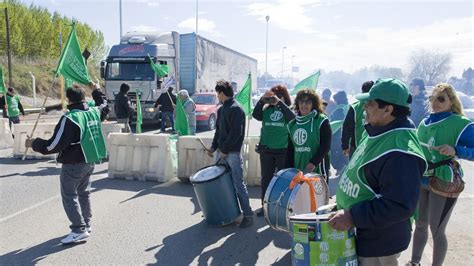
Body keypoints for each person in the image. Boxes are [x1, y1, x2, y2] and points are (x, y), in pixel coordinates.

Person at [329, 78, 426, 266]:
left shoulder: (400, 151)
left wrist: (352, 216)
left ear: (388, 109)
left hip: (380, 243)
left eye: (371, 103)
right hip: (365, 234)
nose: (364, 106)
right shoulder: (377, 130)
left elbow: (399, 204)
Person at [25, 85, 107, 244]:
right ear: (84, 97)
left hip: (74, 163)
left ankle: (78, 229)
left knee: (69, 196)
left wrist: (34, 143)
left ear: (68, 99)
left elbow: (53, 145)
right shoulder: (94, 112)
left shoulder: (70, 118)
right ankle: (86, 224)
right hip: (90, 160)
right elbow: (104, 104)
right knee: (84, 193)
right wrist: (96, 89)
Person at [408, 83, 474, 266]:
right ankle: (414, 262)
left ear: (451, 101)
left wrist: (456, 150)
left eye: (441, 99)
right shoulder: (424, 122)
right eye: (433, 98)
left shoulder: (461, 123)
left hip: (445, 179)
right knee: (420, 225)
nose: (435, 102)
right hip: (422, 177)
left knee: (437, 229)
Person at [207, 80, 253, 228]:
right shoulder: (221, 110)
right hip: (222, 153)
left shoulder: (236, 109)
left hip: (232, 153)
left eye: (217, 93)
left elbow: (236, 135)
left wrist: (225, 150)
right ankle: (228, 214)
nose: (217, 96)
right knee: (222, 184)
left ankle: (248, 215)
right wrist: (214, 147)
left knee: (238, 185)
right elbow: (218, 131)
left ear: (221, 93)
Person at [252, 84, 295, 217]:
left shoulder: (288, 109)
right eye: (272, 96)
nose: (274, 99)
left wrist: (280, 103)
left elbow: (292, 117)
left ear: (284, 97)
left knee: (283, 180)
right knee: (266, 179)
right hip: (266, 150)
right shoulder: (266, 110)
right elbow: (255, 115)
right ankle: (265, 207)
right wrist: (261, 100)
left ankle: (282, 207)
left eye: (278, 96)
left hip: (282, 149)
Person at [287, 89, 331, 180]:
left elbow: (325, 146)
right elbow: (290, 151)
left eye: (307, 102)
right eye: (301, 101)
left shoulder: (321, 121)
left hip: (317, 171)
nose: (304, 104)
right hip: (298, 172)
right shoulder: (292, 125)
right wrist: (288, 171)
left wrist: (312, 163)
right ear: (297, 104)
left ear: (313, 104)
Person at [341, 81, 374, 157]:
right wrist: (345, 145)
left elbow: (346, 127)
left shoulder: (355, 107)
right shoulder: (355, 108)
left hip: (368, 146)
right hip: (361, 146)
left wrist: (344, 146)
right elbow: (347, 126)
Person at [329, 90, 349, 175]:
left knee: (333, 153)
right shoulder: (348, 107)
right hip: (345, 135)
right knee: (343, 152)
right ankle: (344, 167)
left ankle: (340, 167)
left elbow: (335, 123)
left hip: (336, 135)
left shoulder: (339, 109)